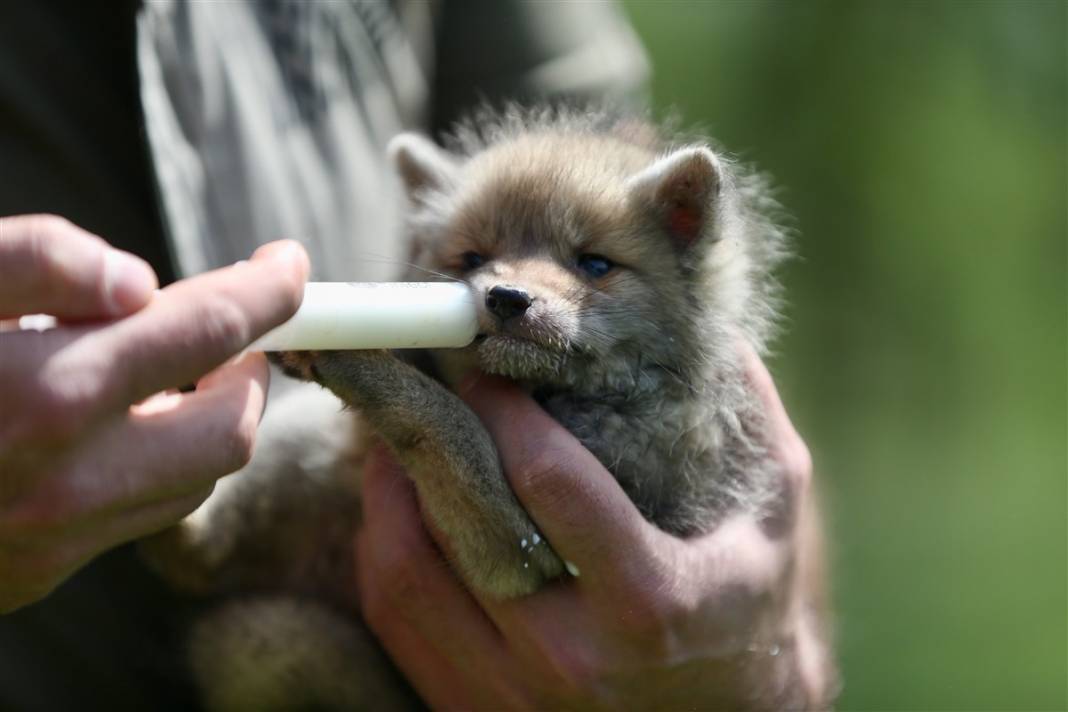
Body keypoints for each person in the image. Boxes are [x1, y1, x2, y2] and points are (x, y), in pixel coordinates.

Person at [0, 1, 834, 708]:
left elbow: (573, 557)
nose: (509, 287)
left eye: (589, 265)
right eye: (472, 261)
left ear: (686, 229)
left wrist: (764, 662)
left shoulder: (657, 415)